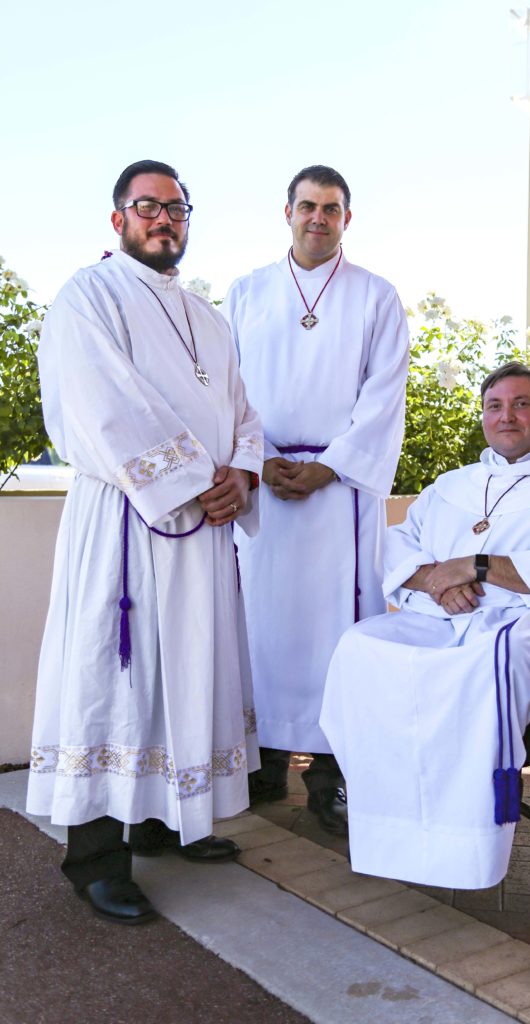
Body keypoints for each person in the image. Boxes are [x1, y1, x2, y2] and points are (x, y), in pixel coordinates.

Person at [27, 160, 264, 925]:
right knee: (116, 680)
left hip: (201, 534)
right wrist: (198, 476)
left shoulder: (209, 318)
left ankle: (169, 819)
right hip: (128, 523)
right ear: (118, 218)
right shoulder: (87, 297)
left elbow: (242, 413)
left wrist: (245, 476)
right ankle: (95, 857)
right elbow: (99, 408)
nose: (164, 219)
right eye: (147, 206)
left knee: (185, 673)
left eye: (176, 208)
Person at [320, 362, 530, 888]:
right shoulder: (450, 486)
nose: (507, 416)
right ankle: (385, 817)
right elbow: (399, 543)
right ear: (482, 415)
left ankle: (469, 841)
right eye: (495, 405)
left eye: (522, 404)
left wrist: (477, 565)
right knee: (359, 644)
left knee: (488, 662)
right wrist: (437, 578)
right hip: (444, 613)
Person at [222, 165, 409, 834]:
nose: (318, 217)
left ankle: (329, 775)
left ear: (346, 219)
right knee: (261, 627)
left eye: (331, 208)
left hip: (340, 498)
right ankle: (265, 760)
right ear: (287, 212)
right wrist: (259, 456)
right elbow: (226, 391)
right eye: (307, 206)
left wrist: (329, 469)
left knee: (340, 634)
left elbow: (385, 399)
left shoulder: (376, 297)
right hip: (267, 488)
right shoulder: (246, 294)